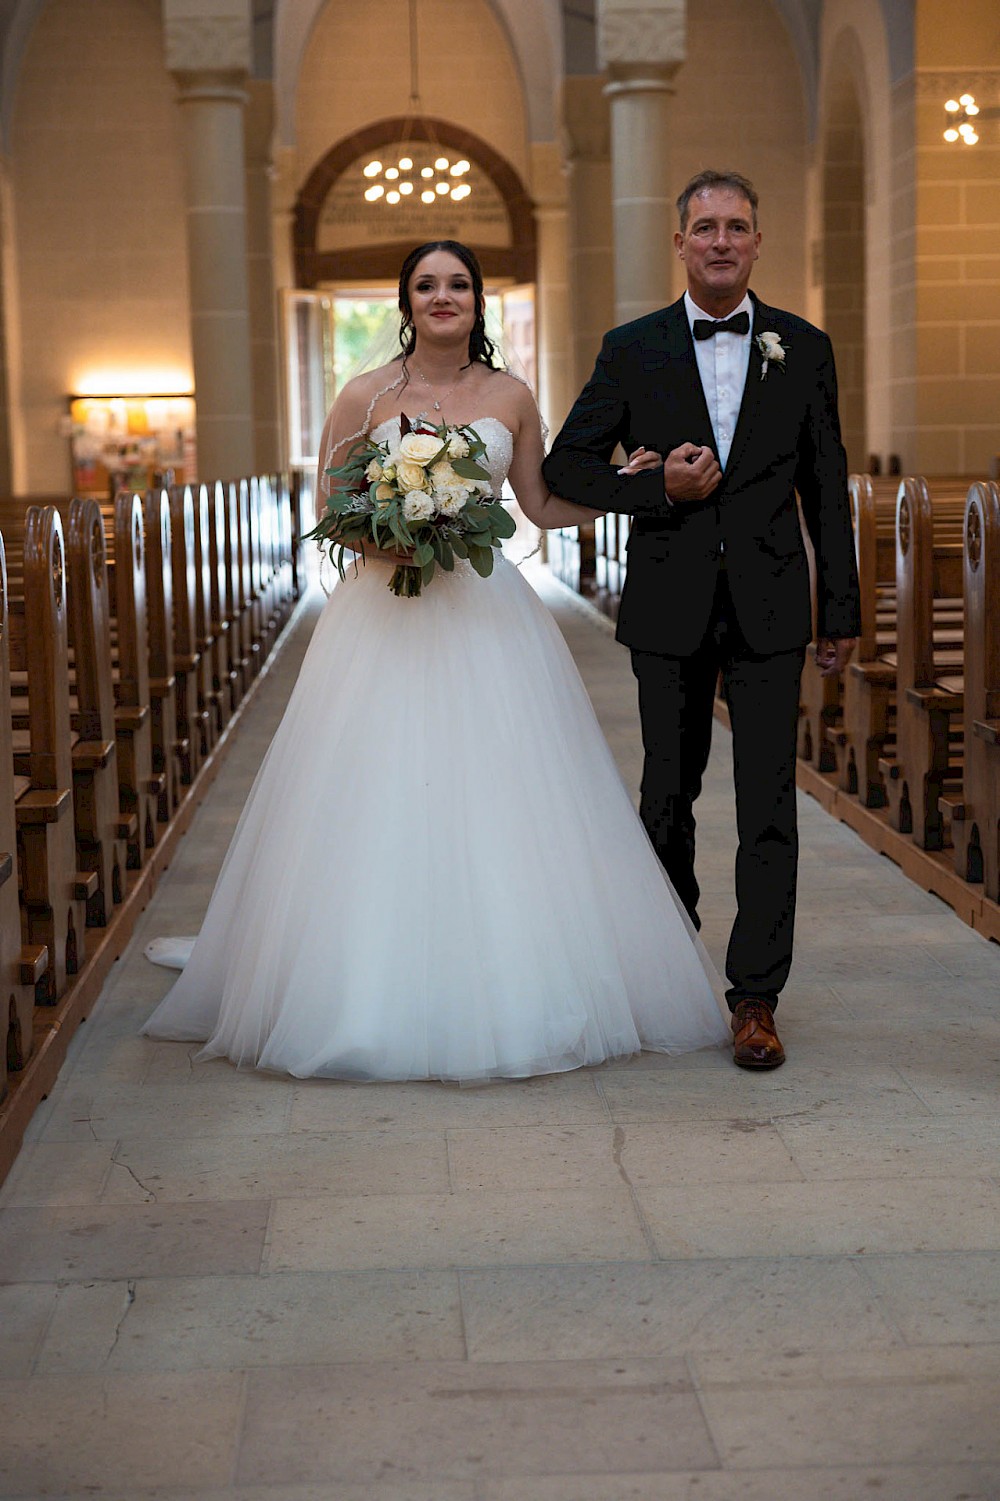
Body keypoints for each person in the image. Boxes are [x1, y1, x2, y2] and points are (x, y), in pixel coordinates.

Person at [142, 239, 730, 1080]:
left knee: (502, 788)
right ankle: (360, 981)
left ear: (480, 302)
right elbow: (331, 509)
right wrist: (402, 533)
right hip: (385, 613)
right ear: (405, 301)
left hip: (489, 616)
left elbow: (541, 506)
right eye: (427, 285)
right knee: (375, 786)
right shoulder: (363, 394)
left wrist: (634, 484)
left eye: (459, 284)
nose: (443, 296)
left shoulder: (512, 395)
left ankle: (514, 970)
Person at [543, 171, 861, 1071]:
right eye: (705, 227)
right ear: (678, 243)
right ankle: (669, 966)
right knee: (666, 798)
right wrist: (652, 487)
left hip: (769, 606)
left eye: (738, 226)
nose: (721, 240)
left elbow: (826, 489)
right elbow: (568, 466)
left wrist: (838, 607)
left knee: (768, 806)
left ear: (758, 243)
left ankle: (756, 997)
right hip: (669, 601)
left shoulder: (803, 348)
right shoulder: (631, 347)